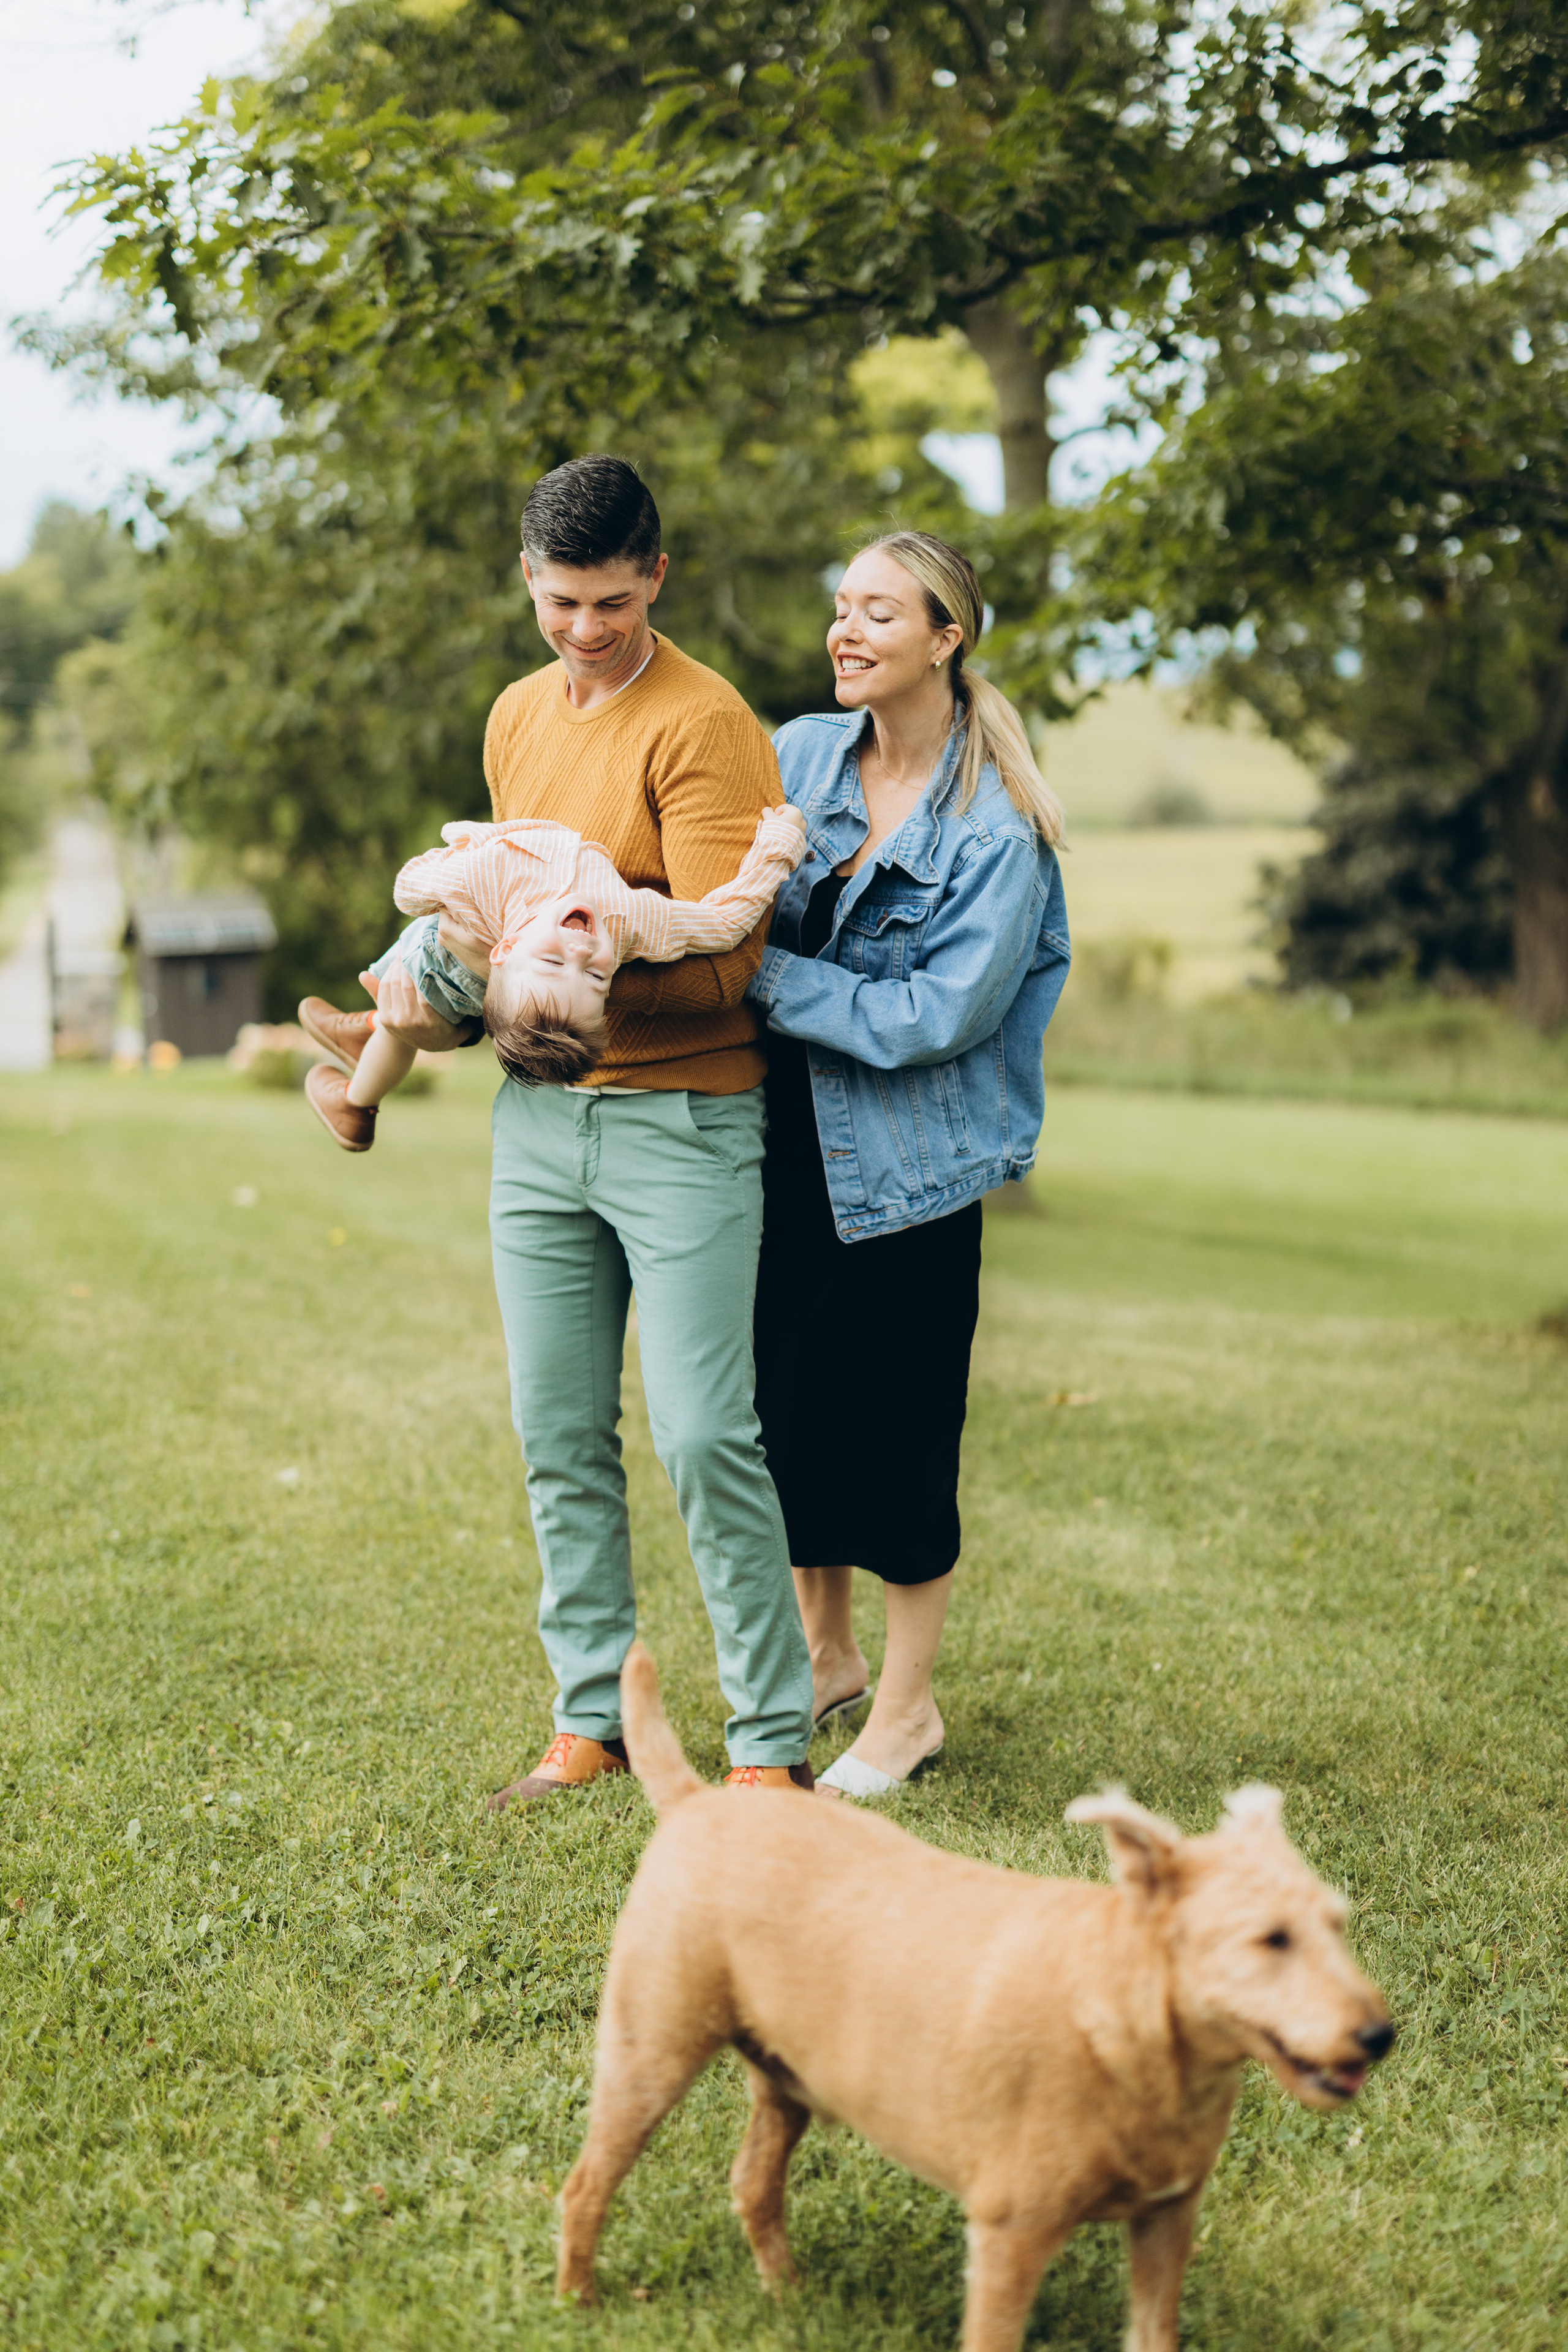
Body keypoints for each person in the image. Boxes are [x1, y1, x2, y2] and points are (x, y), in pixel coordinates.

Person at [355, 454, 818, 1801]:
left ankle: (768, 1747)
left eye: (612, 601)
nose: (586, 628)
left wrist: (579, 979)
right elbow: (497, 908)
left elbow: (730, 964)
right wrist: (479, 993)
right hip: (542, 1127)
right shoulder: (515, 715)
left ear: (655, 577)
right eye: (561, 602)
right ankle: (589, 1719)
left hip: (686, 1125)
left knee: (703, 1436)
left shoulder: (706, 723)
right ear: (527, 580)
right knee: (557, 1432)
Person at [750, 530, 1071, 1798]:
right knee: (788, 1414)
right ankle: (825, 1657)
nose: (846, 631)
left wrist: (761, 976)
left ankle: (906, 1709)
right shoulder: (799, 753)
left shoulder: (996, 830)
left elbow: (935, 1016)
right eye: (841, 608)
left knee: (902, 1434)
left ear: (946, 639)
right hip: (779, 1145)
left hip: (910, 1173)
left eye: (879, 612)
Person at [297, 801, 805, 1148]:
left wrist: (461, 860)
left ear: (505, 947)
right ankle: (363, 1050)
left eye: (557, 962)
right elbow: (722, 924)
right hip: (476, 965)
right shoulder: (627, 923)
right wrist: (779, 847)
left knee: (404, 1005)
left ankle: (357, 1099)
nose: (582, 951)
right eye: (596, 978)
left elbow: (409, 890)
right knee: (401, 1004)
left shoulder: (491, 878)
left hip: (447, 964)